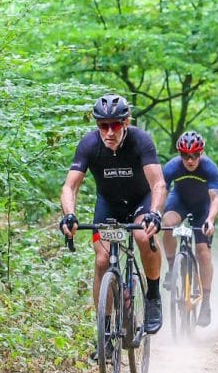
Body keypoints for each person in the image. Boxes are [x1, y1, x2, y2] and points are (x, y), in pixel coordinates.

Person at [59, 93, 166, 335]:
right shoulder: (89, 144)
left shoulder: (141, 140)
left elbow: (158, 183)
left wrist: (155, 213)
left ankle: (153, 296)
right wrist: (69, 215)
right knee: (102, 261)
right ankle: (105, 332)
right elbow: (70, 186)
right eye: (103, 126)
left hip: (141, 201)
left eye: (115, 125)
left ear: (126, 122)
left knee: (142, 237)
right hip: (108, 205)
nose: (109, 132)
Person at [161, 131, 218, 327]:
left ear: (201, 153)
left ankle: (205, 302)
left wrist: (210, 220)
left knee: (203, 252)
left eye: (195, 155)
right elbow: (160, 191)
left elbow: (216, 198)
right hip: (179, 201)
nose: (190, 160)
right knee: (167, 224)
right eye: (185, 155)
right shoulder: (171, 167)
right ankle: (172, 267)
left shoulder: (209, 168)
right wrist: (155, 212)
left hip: (202, 208)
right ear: (180, 155)